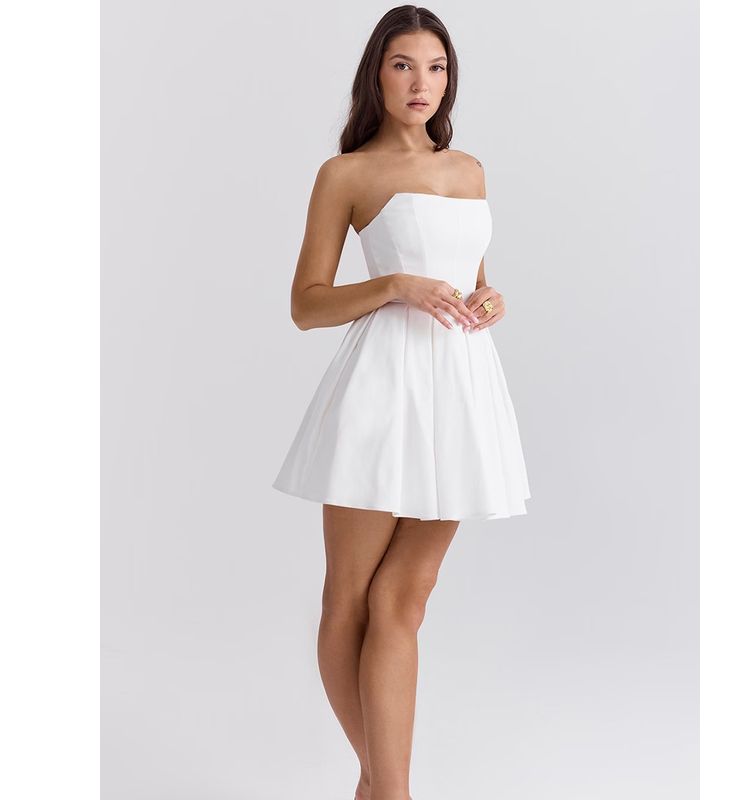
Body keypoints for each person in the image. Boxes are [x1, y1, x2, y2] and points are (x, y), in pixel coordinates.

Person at [272, 6, 531, 799]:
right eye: (403, 65)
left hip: (460, 389)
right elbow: (306, 304)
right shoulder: (346, 175)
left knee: (404, 601)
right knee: (348, 600)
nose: (422, 82)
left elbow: (472, 277)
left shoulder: (470, 171)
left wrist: (491, 299)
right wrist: (392, 285)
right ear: (376, 76)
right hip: (383, 388)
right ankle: (390, 789)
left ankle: (381, 789)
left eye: (437, 67)